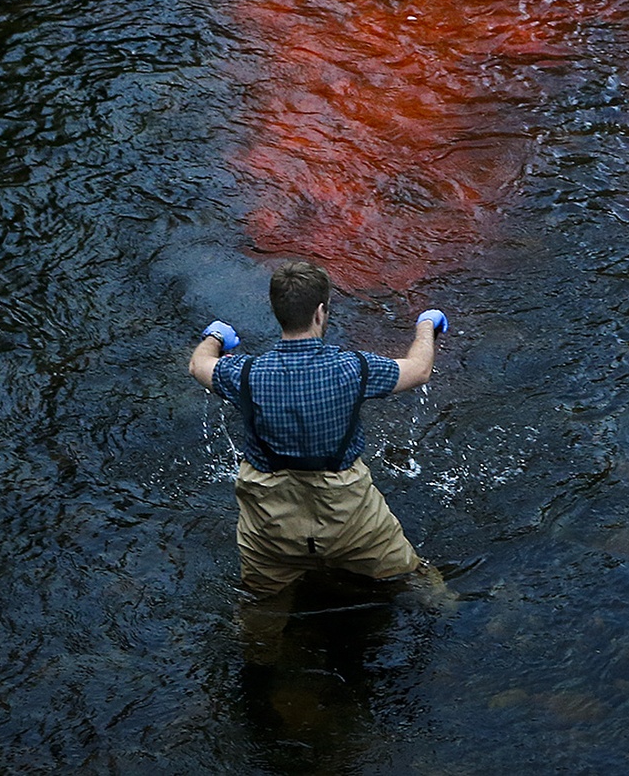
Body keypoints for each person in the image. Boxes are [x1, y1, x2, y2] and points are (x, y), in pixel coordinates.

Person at [189, 259, 447, 610]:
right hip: (353, 524)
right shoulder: (353, 368)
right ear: (321, 312)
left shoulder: (245, 374)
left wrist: (215, 336)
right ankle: (458, 619)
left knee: (260, 607)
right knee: (420, 582)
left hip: (271, 530)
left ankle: (263, 656)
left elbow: (198, 365)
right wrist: (426, 326)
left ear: (277, 312)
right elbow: (419, 370)